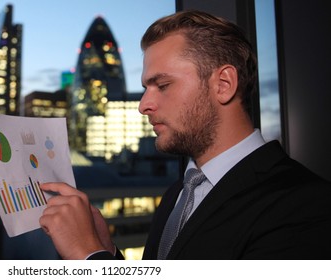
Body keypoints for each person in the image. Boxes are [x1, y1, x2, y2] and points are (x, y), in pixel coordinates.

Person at [39, 10, 331, 260]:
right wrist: (108, 252)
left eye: (162, 85)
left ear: (224, 84)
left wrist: (87, 256)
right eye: (145, 88)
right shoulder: (177, 195)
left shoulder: (304, 206)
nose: (143, 105)